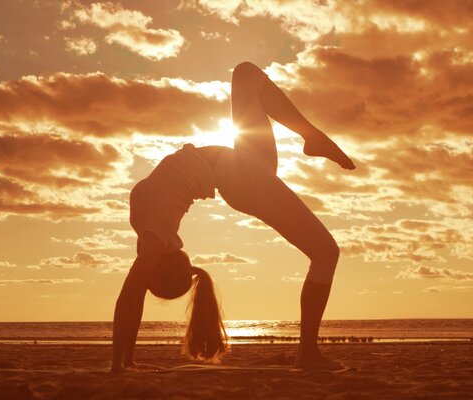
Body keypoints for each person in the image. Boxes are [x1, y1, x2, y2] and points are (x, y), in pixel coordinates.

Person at [111, 61, 355, 372]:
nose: (141, 276)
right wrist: (118, 366)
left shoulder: (146, 229)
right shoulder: (157, 236)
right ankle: (307, 352)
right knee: (325, 251)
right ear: (157, 268)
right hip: (241, 178)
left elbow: (134, 292)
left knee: (247, 75)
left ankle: (311, 136)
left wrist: (125, 361)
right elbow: (130, 296)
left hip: (240, 165)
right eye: (149, 278)